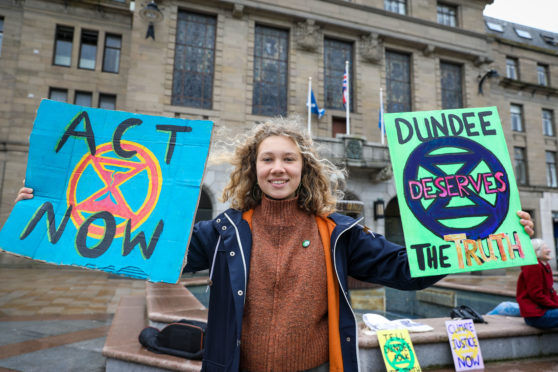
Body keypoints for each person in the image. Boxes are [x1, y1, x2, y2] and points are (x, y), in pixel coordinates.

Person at [16, 118, 535, 372]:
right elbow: (146, 251)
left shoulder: (340, 232)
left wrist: (484, 237)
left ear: (303, 168)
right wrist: (54, 212)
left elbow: (404, 270)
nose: (278, 168)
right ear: (254, 168)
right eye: (268, 159)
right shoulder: (222, 231)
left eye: (288, 159)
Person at [516, 238, 558, 329]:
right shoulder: (533, 266)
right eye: (545, 248)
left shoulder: (544, 265)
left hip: (543, 311)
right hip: (536, 315)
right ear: (536, 252)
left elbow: (551, 291)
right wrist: (555, 306)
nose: (549, 250)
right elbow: (536, 294)